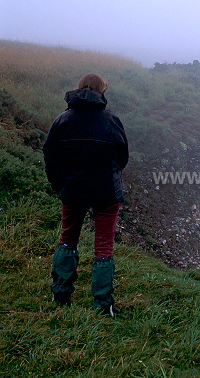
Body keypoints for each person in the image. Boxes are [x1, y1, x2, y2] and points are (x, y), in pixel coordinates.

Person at [43, 73, 128, 317]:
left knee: (68, 238)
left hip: (72, 189)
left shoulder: (63, 120)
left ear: (78, 89)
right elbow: (122, 156)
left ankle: (60, 295)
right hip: (106, 192)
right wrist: (110, 174)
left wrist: (59, 183)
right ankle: (103, 305)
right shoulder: (111, 120)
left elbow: (51, 155)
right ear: (102, 91)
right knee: (103, 245)